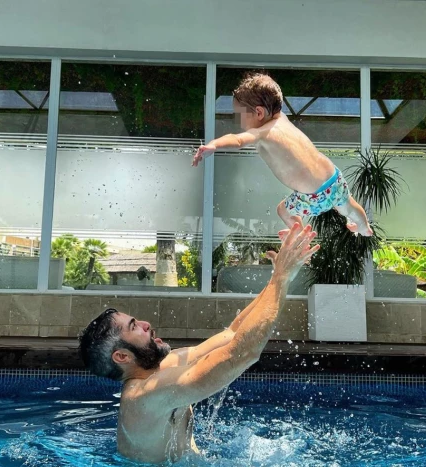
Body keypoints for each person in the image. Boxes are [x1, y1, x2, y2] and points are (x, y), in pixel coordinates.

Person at [79, 221, 319, 464]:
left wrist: (282, 277)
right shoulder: (144, 396)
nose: (145, 324)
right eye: (134, 327)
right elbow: (242, 353)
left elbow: (234, 333)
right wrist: (281, 276)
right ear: (122, 357)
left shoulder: (163, 368)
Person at [192, 72, 373, 237]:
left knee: (283, 211)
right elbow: (270, 94)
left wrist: (213, 145)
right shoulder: (282, 118)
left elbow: (238, 140)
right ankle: (363, 227)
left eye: (240, 115)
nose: (238, 120)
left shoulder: (263, 132)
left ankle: (301, 237)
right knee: (348, 205)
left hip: (312, 195)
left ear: (259, 112)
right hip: (333, 177)